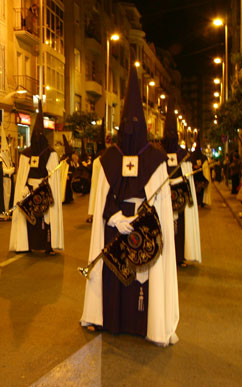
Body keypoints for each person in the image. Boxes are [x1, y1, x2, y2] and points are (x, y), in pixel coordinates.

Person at [81, 66, 178, 346]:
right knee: (114, 275)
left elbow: (160, 205)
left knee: (140, 280)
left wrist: (138, 220)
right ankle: (107, 318)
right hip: (116, 229)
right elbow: (100, 199)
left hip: (141, 230)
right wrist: (113, 218)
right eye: (127, 124)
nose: (131, 130)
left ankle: (143, 324)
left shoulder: (155, 159)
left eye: (135, 124)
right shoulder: (108, 158)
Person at [9, 100, 64, 255]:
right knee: (30, 219)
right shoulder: (27, 153)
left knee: (45, 221)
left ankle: (48, 245)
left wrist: (46, 190)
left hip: (44, 192)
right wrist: (24, 188)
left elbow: (52, 176)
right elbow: (22, 177)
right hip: (30, 192)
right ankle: (27, 244)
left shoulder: (49, 154)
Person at [161, 98, 201, 267]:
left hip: (179, 199)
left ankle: (178, 256)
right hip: (162, 197)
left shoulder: (183, 155)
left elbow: (188, 178)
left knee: (179, 227)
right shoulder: (157, 154)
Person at [191, 136, 210, 207]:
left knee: (196, 189)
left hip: (195, 175)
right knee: (200, 189)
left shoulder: (192, 155)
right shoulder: (202, 156)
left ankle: (197, 201)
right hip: (200, 175)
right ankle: (200, 201)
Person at [60, 135, 74, 204]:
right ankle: (68, 198)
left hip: (67, 175)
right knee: (66, 187)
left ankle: (68, 198)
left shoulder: (67, 160)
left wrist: (68, 174)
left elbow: (70, 167)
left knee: (67, 187)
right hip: (66, 175)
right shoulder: (65, 159)